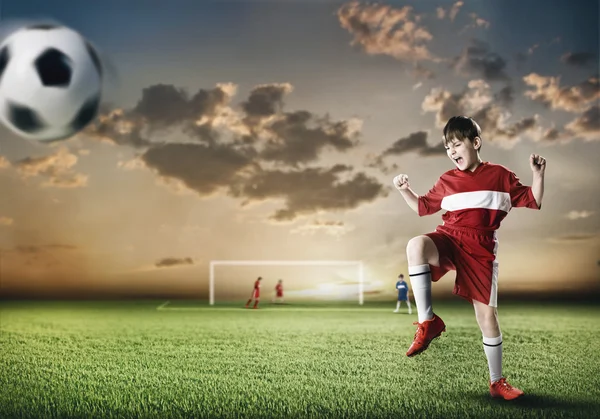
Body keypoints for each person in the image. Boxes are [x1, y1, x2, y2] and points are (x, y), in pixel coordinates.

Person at [393, 115, 545, 400]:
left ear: (475, 143)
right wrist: (404, 190)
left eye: (457, 144)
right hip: (449, 238)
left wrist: (538, 174)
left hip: (481, 249)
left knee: (487, 317)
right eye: (447, 147)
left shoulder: (500, 176)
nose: (452, 151)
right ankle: (428, 323)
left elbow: (533, 199)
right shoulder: (447, 180)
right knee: (416, 246)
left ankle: (497, 382)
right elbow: (423, 207)